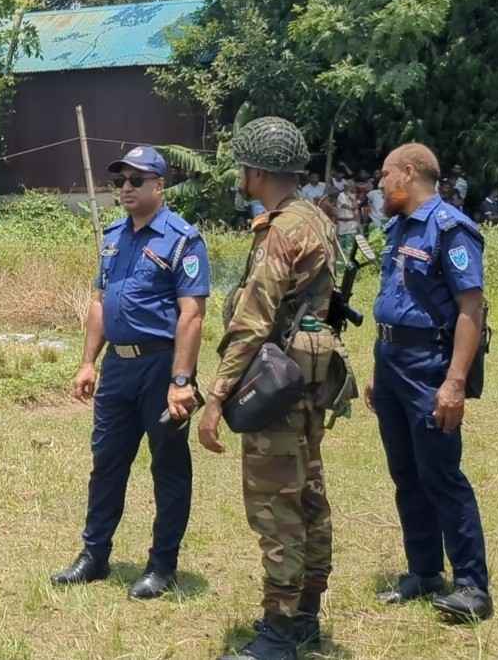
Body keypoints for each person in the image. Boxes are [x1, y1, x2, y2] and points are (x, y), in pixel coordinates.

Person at [189, 116, 339, 660]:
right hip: (309, 383)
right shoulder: (317, 219)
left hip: (275, 389)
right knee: (308, 498)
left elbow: (254, 321)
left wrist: (217, 398)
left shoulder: (280, 230)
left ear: (255, 171)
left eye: (241, 168)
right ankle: (305, 617)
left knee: (277, 508)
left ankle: (279, 632)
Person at [50, 145, 211, 600]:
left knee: (168, 468)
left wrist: (182, 381)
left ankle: (162, 565)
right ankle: (94, 555)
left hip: (161, 368)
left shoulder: (181, 239)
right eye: (120, 180)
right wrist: (88, 361)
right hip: (118, 367)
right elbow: (100, 303)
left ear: (159, 186)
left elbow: (192, 315)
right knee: (106, 464)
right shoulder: (114, 237)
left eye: (136, 181)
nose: (125, 188)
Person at [366, 143, 493, 622]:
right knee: (405, 473)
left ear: (410, 172)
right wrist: (379, 370)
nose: (380, 183)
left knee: (440, 474)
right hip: (392, 359)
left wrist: (454, 382)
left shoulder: (450, 229)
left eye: (385, 175)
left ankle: (472, 586)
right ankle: (423, 572)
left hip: (428, 364)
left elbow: (470, 309)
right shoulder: (398, 227)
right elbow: (390, 299)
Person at [334, 186, 360, 257]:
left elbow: (356, 207)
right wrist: (352, 207)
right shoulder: (340, 195)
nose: (352, 188)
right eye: (349, 186)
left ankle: (349, 258)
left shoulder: (353, 195)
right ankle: (341, 258)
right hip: (342, 223)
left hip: (351, 223)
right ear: (345, 188)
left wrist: (352, 200)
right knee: (342, 243)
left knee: (350, 244)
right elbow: (344, 205)